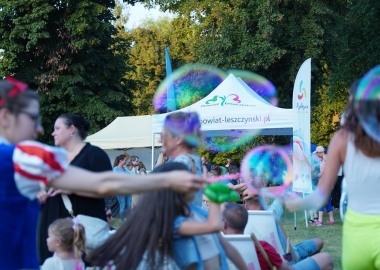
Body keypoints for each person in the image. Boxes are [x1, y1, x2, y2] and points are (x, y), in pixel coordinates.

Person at [0, 76, 204, 269]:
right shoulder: (22, 158)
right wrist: (166, 179)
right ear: (6, 117)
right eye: (33, 118)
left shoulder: (22, 159)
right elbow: (102, 183)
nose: (39, 129)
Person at [286, 67, 380, 269]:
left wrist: (297, 203)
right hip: (359, 230)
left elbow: (321, 192)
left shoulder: (342, 139)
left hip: (358, 232)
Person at [88, 162, 247, 270]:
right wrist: (213, 197)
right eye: (190, 178)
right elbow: (214, 225)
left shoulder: (198, 212)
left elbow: (226, 247)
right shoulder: (169, 221)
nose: (196, 182)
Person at [38, 113, 113, 263]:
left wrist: (73, 189)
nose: (53, 133)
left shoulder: (94, 155)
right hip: (52, 224)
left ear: (72, 129)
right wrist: (40, 191)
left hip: (83, 228)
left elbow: (108, 188)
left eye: (57, 128)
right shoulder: (54, 157)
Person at [222, 202, 334, 270]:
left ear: (224, 225)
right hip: (287, 259)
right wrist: (281, 260)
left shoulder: (216, 247)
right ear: (246, 222)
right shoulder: (260, 247)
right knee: (325, 258)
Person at [243, 188, 325, 264]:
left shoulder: (243, 222)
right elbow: (284, 191)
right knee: (319, 242)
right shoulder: (271, 213)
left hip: (273, 261)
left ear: (246, 205)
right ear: (263, 201)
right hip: (289, 258)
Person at [161, 111, 204, 206]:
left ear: (178, 139)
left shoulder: (180, 163)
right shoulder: (194, 159)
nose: (160, 140)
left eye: (164, 136)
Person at [311, 146, 335, 226]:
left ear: (319, 152)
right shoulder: (323, 159)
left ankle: (320, 221)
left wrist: (322, 173)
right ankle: (331, 220)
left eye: (317, 153)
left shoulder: (325, 158)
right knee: (327, 200)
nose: (316, 155)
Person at [112, 154, 131, 222]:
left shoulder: (125, 169)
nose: (126, 162)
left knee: (128, 206)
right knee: (122, 206)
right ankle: (122, 222)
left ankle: (128, 222)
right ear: (121, 160)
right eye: (125, 160)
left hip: (128, 190)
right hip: (120, 190)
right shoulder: (115, 169)